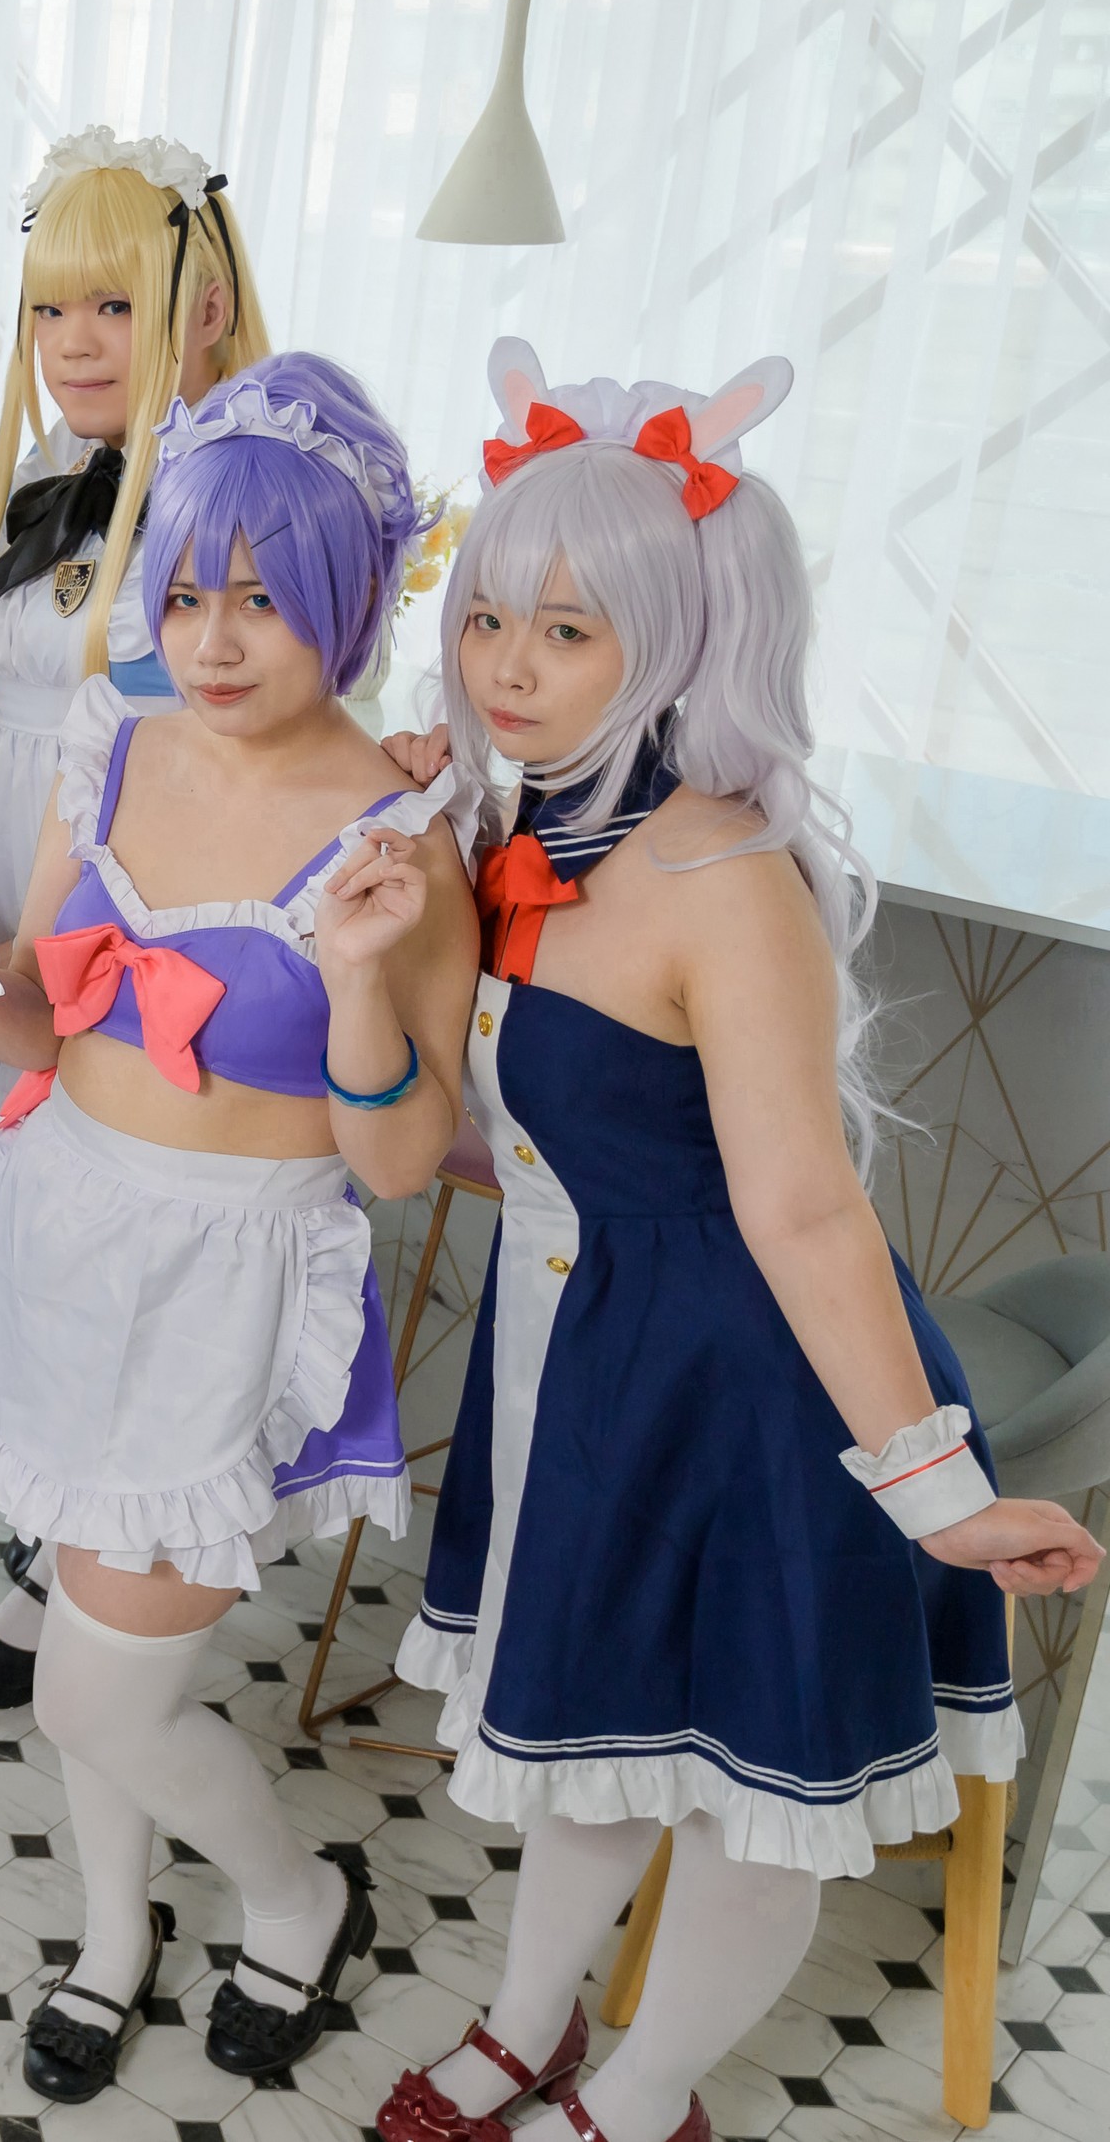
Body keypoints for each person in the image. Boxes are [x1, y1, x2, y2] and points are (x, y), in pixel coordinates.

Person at [371, 342, 1098, 2142]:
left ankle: (642, 2097)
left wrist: (935, 1491)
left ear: (679, 640)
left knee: (745, 1791)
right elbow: (500, 1141)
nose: (508, 667)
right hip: (587, 1354)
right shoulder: (525, 830)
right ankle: (526, 2024)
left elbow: (802, 1204)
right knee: (594, 1739)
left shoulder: (720, 876)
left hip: (750, 1385)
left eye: (569, 632)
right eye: (489, 620)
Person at [0, 353, 474, 2102]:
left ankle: (297, 1898)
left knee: (94, 1688)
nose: (212, 641)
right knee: (90, 1622)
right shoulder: (126, 744)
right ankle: (112, 1932)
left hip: (230, 1281)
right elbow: (42, 1022)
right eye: (185, 593)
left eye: (262, 600)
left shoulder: (404, 836)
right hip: (64, 1227)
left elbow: (403, 1161)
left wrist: (358, 975)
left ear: (351, 597)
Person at [0, 126, 281, 1712]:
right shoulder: (50, 471)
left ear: (203, 306)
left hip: (128, 911)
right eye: (51, 310)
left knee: (89, 1245)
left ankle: (78, 1569)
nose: (75, 342)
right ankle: (53, 1522)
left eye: (112, 305)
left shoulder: (239, 503)